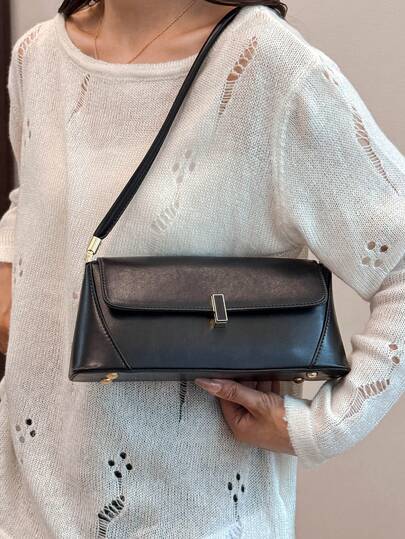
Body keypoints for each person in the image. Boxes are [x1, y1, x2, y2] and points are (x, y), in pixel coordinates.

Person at [0, 0, 404, 537]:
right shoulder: (36, 57)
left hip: (195, 517)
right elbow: (35, 200)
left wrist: (321, 428)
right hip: (25, 509)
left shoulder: (269, 68)